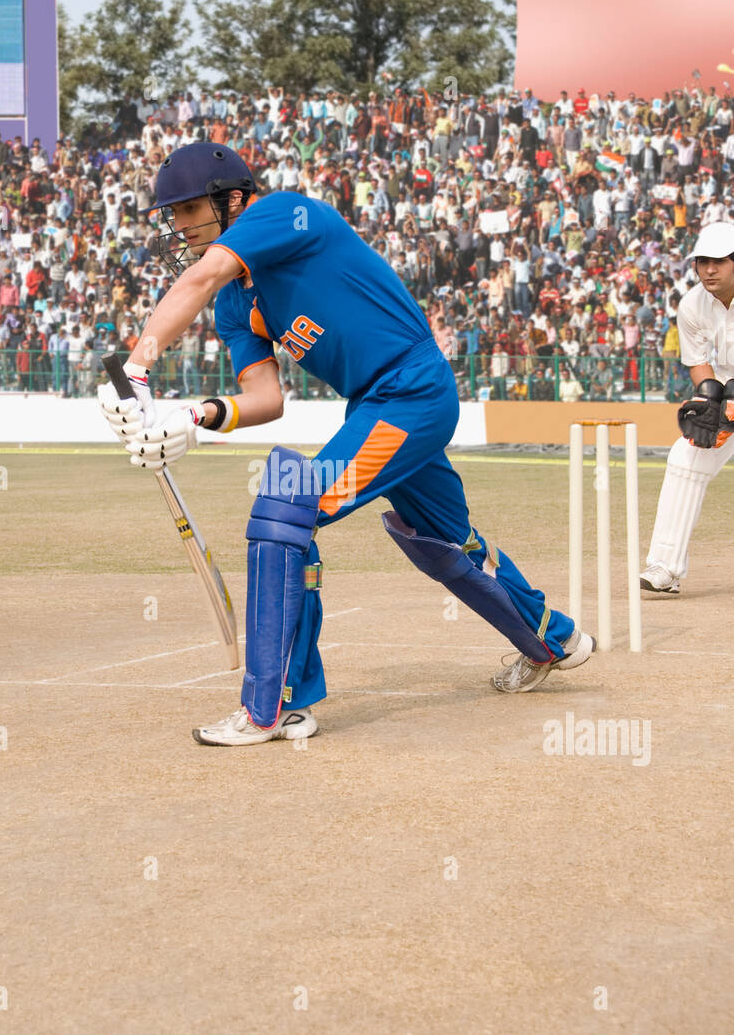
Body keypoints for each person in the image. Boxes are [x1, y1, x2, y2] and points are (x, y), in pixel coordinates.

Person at [98, 142, 596, 747]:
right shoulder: (235, 301)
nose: (179, 225)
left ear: (234, 200)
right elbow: (265, 398)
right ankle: (553, 639)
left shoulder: (283, 214)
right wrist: (195, 415)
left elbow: (200, 276)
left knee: (287, 506)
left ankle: (277, 707)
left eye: (187, 209)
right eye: (172, 214)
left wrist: (138, 367)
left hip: (412, 392)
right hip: (375, 405)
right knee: (443, 541)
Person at [641, 221, 734, 595]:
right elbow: (698, 362)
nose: (709, 270)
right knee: (685, 458)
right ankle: (665, 567)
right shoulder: (693, 304)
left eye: (719, 262)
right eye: (702, 262)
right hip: (728, 387)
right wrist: (711, 401)